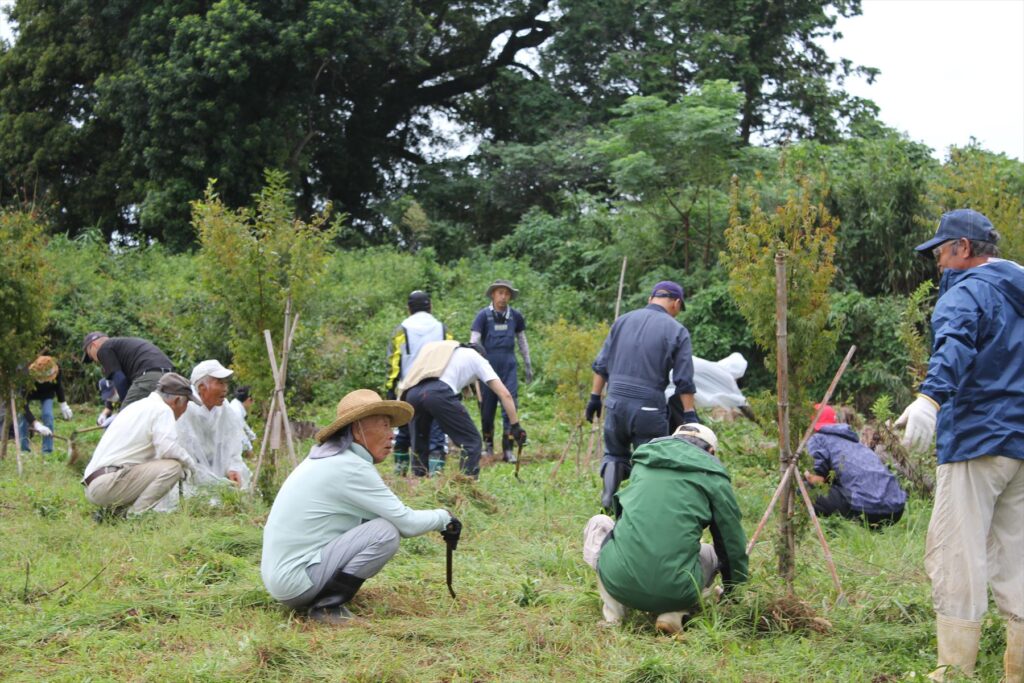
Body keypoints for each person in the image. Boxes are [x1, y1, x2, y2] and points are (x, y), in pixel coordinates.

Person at [893, 209, 1024, 682]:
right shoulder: (1019, 290)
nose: (938, 263)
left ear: (963, 248)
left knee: (956, 552)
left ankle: (954, 672)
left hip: (977, 438)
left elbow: (954, 345)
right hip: (1021, 443)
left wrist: (929, 399)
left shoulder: (966, 292)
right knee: (1018, 554)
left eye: (941, 252)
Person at [261, 389, 461, 624]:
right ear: (357, 429)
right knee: (385, 532)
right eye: (384, 425)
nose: (392, 435)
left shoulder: (331, 459)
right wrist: (444, 517)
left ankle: (325, 597)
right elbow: (407, 524)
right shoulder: (350, 467)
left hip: (283, 577)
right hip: (295, 581)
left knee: (374, 523)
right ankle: (327, 607)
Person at [582, 424, 748, 634]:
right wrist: (734, 592)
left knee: (599, 523)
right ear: (711, 452)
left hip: (619, 579)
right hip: (677, 588)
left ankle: (613, 615)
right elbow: (731, 543)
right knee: (712, 553)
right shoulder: (713, 476)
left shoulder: (645, 462)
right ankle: (675, 612)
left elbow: (624, 519)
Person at [586, 280, 698, 514]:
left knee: (615, 453)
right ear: (676, 304)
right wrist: (689, 415)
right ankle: (639, 511)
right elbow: (683, 380)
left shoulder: (622, 321)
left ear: (650, 299)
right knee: (650, 460)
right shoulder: (677, 331)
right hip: (648, 408)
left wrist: (594, 398)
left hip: (615, 402)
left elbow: (602, 365)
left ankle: (608, 498)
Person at [399, 340, 526, 478]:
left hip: (412, 394)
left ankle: (417, 485)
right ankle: (466, 486)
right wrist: (515, 425)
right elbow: (505, 394)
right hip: (437, 393)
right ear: (482, 354)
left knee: (420, 443)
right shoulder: (478, 359)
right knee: (472, 442)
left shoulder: (448, 354)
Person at [81, 372, 198, 518]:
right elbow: (167, 448)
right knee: (173, 468)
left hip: (96, 483)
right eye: (187, 403)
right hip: (107, 483)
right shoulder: (163, 410)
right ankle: (135, 516)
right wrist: (190, 464)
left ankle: (115, 514)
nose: (186, 409)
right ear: (176, 400)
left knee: (160, 465)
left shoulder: (137, 406)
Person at [802, 404, 906, 528]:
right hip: (895, 510)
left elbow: (816, 480)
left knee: (803, 489)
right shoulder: (855, 442)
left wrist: (805, 473)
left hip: (866, 510)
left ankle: (833, 528)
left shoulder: (818, 438)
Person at [385, 290, 452, 475]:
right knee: (437, 431)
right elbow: (452, 354)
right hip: (438, 387)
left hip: (408, 388)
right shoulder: (442, 329)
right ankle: (436, 474)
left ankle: (401, 473)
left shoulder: (401, 329)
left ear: (409, 308)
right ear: (430, 306)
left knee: (404, 428)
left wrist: (390, 388)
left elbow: (393, 362)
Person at [470, 279, 533, 463]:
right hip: (487, 367)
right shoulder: (483, 316)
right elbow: (474, 341)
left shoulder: (515, 316)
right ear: (493, 294)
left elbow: (522, 341)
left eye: (507, 294)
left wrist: (527, 364)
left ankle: (508, 449)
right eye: (500, 293)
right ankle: (488, 446)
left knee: (510, 406)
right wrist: (475, 366)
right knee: (487, 409)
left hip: (509, 366)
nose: (503, 297)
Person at [175, 360, 252, 490]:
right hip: (193, 474)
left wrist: (232, 468)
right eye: (220, 383)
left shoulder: (224, 409)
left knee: (242, 472)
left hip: (218, 470)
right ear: (201, 388)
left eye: (225, 383)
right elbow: (186, 459)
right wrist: (216, 482)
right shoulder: (185, 409)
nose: (225, 388)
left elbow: (233, 444)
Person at [82, 332, 175, 409]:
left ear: (94, 345)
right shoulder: (123, 345)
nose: (95, 360)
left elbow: (120, 379)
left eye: (90, 356)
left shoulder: (103, 349)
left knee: (126, 417)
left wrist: (124, 406)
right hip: (170, 376)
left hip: (148, 376)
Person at [19, 355, 73, 454]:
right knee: (23, 419)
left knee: (48, 415)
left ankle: (47, 450)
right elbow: (23, 406)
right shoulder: (26, 374)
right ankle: (24, 450)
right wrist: (36, 424)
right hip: (29, 392)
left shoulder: (56, 368)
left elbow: (58, 386)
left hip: (47, 393)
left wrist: (63, 404)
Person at [228, 385, 258, 455]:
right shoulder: (236, 411)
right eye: (254, 401)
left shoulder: (235, 404)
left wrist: (254, 437)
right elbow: (241, 435)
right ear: (249, 400)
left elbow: (244, 425)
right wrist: (250, 452)